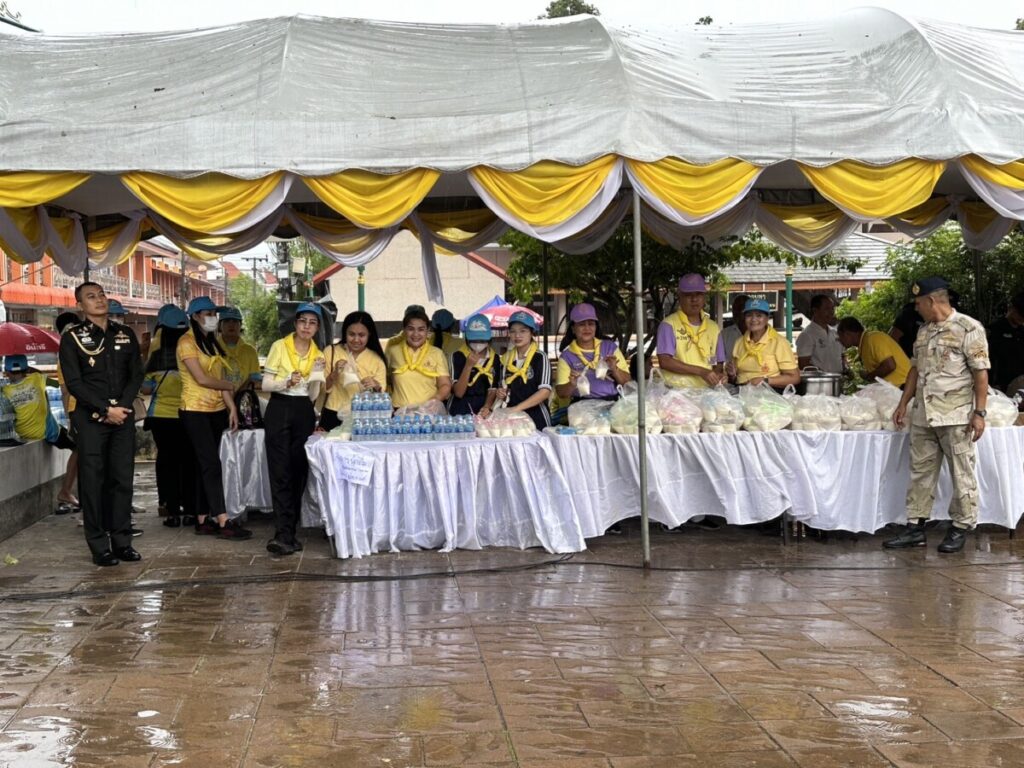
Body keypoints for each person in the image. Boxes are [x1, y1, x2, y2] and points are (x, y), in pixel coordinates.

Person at [884, 278, 990, 554]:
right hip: (924, 416)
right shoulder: (923, 332)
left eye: (919, 304)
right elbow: (915, 370)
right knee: (920, 472)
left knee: (961, 472)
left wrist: (979, 413)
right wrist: (903, 403)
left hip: (955, 415)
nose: (916, 309)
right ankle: (915, 527)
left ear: (932, 301)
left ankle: (960, 526)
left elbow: (981, 373)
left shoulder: (969, 328)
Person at [58, 282, 144, 567]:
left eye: (102, 295)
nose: (99, 300)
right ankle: (99, 546)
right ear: (80, 306)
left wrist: (123, 407)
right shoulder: (73, 338)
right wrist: (105, 409)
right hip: (91, 419)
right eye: (91, 297)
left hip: (122, 416)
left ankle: (122, 541)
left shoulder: (125, 334)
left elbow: (136, 375)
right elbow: (75, 383)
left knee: (122, 480)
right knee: (93, 482)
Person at [177, 296, 251, 541]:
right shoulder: (186, 343)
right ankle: (222, 519)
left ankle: (201, 518)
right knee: (211, 464)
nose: (212, 318)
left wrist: (231, 408)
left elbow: (220, 381)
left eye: (213, 313)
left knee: (203, 465)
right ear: (195, 316)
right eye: (208, 313)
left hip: (216, 410)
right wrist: (228, 385)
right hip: (194, 409)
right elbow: (202, 379)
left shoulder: (212, 342)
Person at [262, 303, 326, 556]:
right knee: (280, 470)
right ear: (295, 323)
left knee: (299, 469)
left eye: (312, 323)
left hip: (303, 410)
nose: (306, 327)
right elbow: (266, 383)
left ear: (317, 327)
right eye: (303, 321)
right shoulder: (280, 346)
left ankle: (290, 530)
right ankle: (282, 533)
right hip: (280, 407)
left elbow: (312, 395)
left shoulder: (318, 354)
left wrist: (317, 378)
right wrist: (286, 382)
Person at [142, 305, 193, 529]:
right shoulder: (193, 348)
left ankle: (170, 510)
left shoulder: (156, 350)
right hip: (189, 412)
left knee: (167, 461)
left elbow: (145, 388)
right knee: (188, 461)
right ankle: (191, 509)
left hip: (161, 416)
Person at [321, 311, 388, 431]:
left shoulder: (377, 360)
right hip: (333, 413)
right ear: (345, 333)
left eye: (361, 335)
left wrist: (376, 386)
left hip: (363, 418)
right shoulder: (331, 352)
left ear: (369, 335)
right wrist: (334, 374)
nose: (356, 340)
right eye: (351, 334)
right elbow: (322, 388)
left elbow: (382, 396)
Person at [656, 274, 726, 388]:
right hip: (676, 391)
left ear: (704, 297)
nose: (694, 299)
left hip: (705, 392)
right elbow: (665, 361)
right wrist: (701, 371)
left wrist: (718, 375)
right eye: (688, 295)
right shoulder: (669, 325)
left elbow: (716, 362)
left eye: (698, 294)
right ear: (679, 296)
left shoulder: (713, 327)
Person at [555, 303, 631, 404]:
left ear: (596, 327)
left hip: (614, 405)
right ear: (573, 329)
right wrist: (572, 384)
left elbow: (627, 383)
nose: (587, 328)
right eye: (582, 324)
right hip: (582, 408)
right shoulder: (566, 356)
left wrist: (614, 369)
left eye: (591, 323)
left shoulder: (610, 347)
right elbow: (561, 393)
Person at [1, 355, 76, 450]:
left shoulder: (5, 390)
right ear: (27, 369)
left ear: (7, 372)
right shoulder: (37, 378)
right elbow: (57, 384)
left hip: (22, 434)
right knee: (77, 447)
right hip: (45, 432)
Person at [494, 310, 552, 430]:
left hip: (537, 417)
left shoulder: (540, 357)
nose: (517, 335)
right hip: (512, 419)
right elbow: (504, 386)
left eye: (523, 331)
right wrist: (501, 393)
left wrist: (517, 409)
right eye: (513, 331)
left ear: (532, 333)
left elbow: (544, 392)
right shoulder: (506, 359)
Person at [386, 306, 452, 409]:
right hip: (398, 413)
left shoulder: (437, 353)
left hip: (428, 413)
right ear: (404, 330)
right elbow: (385, 380)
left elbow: (445, 385)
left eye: (421, 329)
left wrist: (432, 402)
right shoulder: (392, 351)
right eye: (411, 329)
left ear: (427, 331)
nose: (416, 334)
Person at [728, 298, 800, 389]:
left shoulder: (779, 342)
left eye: (759, 315)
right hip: (742, 392)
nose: (753, 319)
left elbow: (794, 378)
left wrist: (765, 381)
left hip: (770, 395)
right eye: (749, 315)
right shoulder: (739, 342)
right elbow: (734, 379)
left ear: (767, 318)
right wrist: (732, 375)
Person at [53, 311, 81, 514]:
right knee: (87, 457)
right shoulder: (67, 354)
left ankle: (67, 491)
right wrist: (70, 419)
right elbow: (65, 391)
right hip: (80, 411)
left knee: (82, 454)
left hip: (79, 411)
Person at [836, 317, 911, 388]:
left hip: (904, 385)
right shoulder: (864, 344)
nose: (839, 340)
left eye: (840, 336)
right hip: (894, 387)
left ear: (847, 333)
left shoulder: (873, 339)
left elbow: (890, 366)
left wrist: (869, 376)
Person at [449, 313, 499, 417]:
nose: (477, 344)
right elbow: (458, 393)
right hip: (460, 408)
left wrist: (487, 407)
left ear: (489, 340)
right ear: (467, 339)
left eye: (482, 340)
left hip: (484, 409)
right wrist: (468, 366)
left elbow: (493, 388)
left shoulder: (495, 358)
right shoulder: (457, 356)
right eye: (473, 340)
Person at [987, 291, 1024, 395]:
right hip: (1001, 384)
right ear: (1012, 309)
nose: (1021, 318)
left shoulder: (1022, 332)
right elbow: (989, 358)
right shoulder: (995, 330)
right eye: (1020, 313)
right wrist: (992, 383)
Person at [796, 294, 844, 373]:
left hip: (838, 381)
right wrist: (823, 375)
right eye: (827, 309)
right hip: (819, 383)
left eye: (832, 309)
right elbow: (803, 365)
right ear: (815, 311)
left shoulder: (835, 333)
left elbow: (842, 356)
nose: (831, 312)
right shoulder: (807, 335)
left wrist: (846, 369)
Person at [218, 306, 262, 391]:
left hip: (243, 401)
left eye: (235, 321)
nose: (231, 325)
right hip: (216, 401)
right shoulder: (212, 348)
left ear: (240, 325)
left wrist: (238, 396)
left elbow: (254, 379)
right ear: (220, 325)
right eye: (227, 321)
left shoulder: (250, 351)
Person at [719, 294, 750, 363]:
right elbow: (720, 362)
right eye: (734, 309)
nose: (737, 312)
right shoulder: (725, 334)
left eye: (741, 308)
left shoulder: (759, 333)